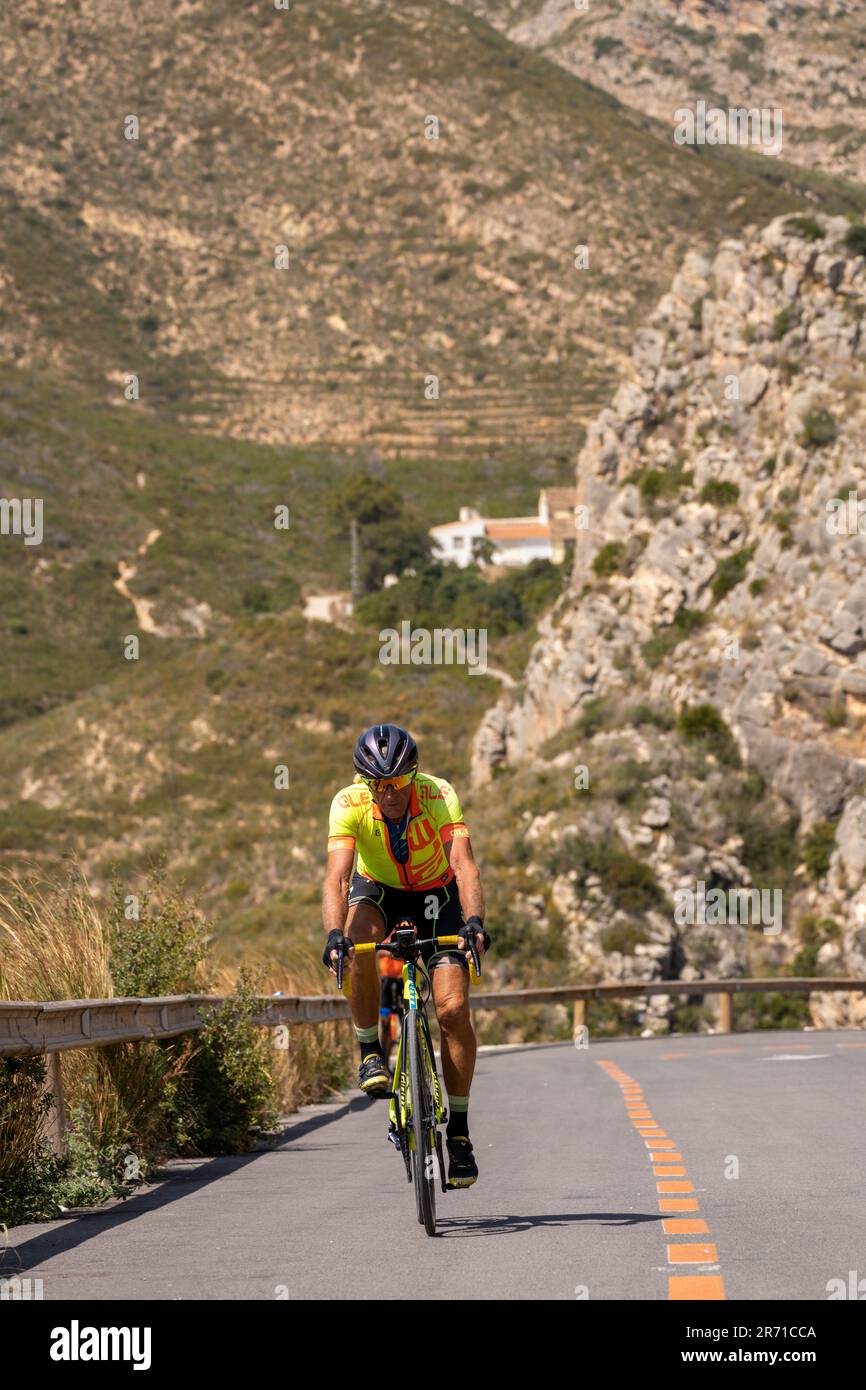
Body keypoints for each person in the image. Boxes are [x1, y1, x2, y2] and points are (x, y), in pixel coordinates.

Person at [322, 723, 490, 1188]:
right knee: (355, 942)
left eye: (396, 782)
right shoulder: (348, 803)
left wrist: (474, 922)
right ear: (364, 783)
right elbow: (338, 877)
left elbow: (464, 866)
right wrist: (333, 935)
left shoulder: (439, 795)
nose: (388, 793)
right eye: (377, 784)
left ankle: (459, 1134)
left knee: (453, 1010)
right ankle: (369, 1051)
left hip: (437, 894)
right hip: (378, 890)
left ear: (413, 776)